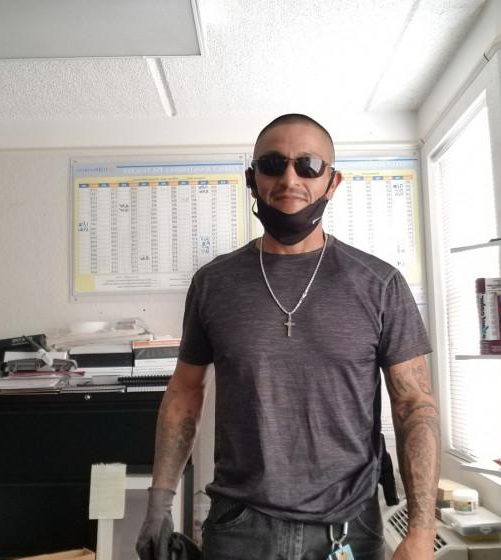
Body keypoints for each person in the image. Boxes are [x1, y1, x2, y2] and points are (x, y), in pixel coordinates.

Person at [136, 113, 440, 560]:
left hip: (349, 529)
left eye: (309, 165)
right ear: (252, 179)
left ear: (332, 182)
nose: (290, 179)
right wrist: (159, 503)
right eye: (273, 164)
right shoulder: (213, 284)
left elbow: (414, 404)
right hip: (239, 527)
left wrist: (422, 530)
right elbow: (184, 392)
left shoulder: (379, 284)